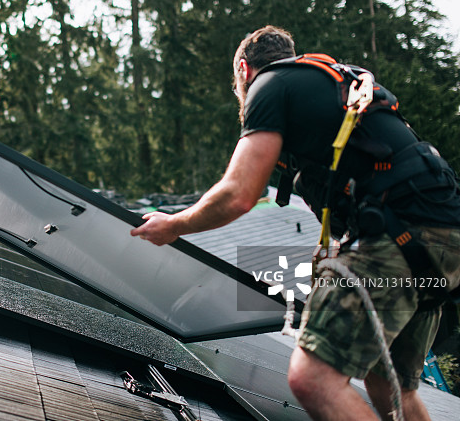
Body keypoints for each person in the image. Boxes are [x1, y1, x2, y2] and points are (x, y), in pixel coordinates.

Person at [131, 25, 460, 420]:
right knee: (390, 387)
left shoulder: (271, 84)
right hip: (442, 239)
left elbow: (239, 194)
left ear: (243, 69)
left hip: (399, 237)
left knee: (314, 379)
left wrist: (174, 225)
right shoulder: (334, 86)